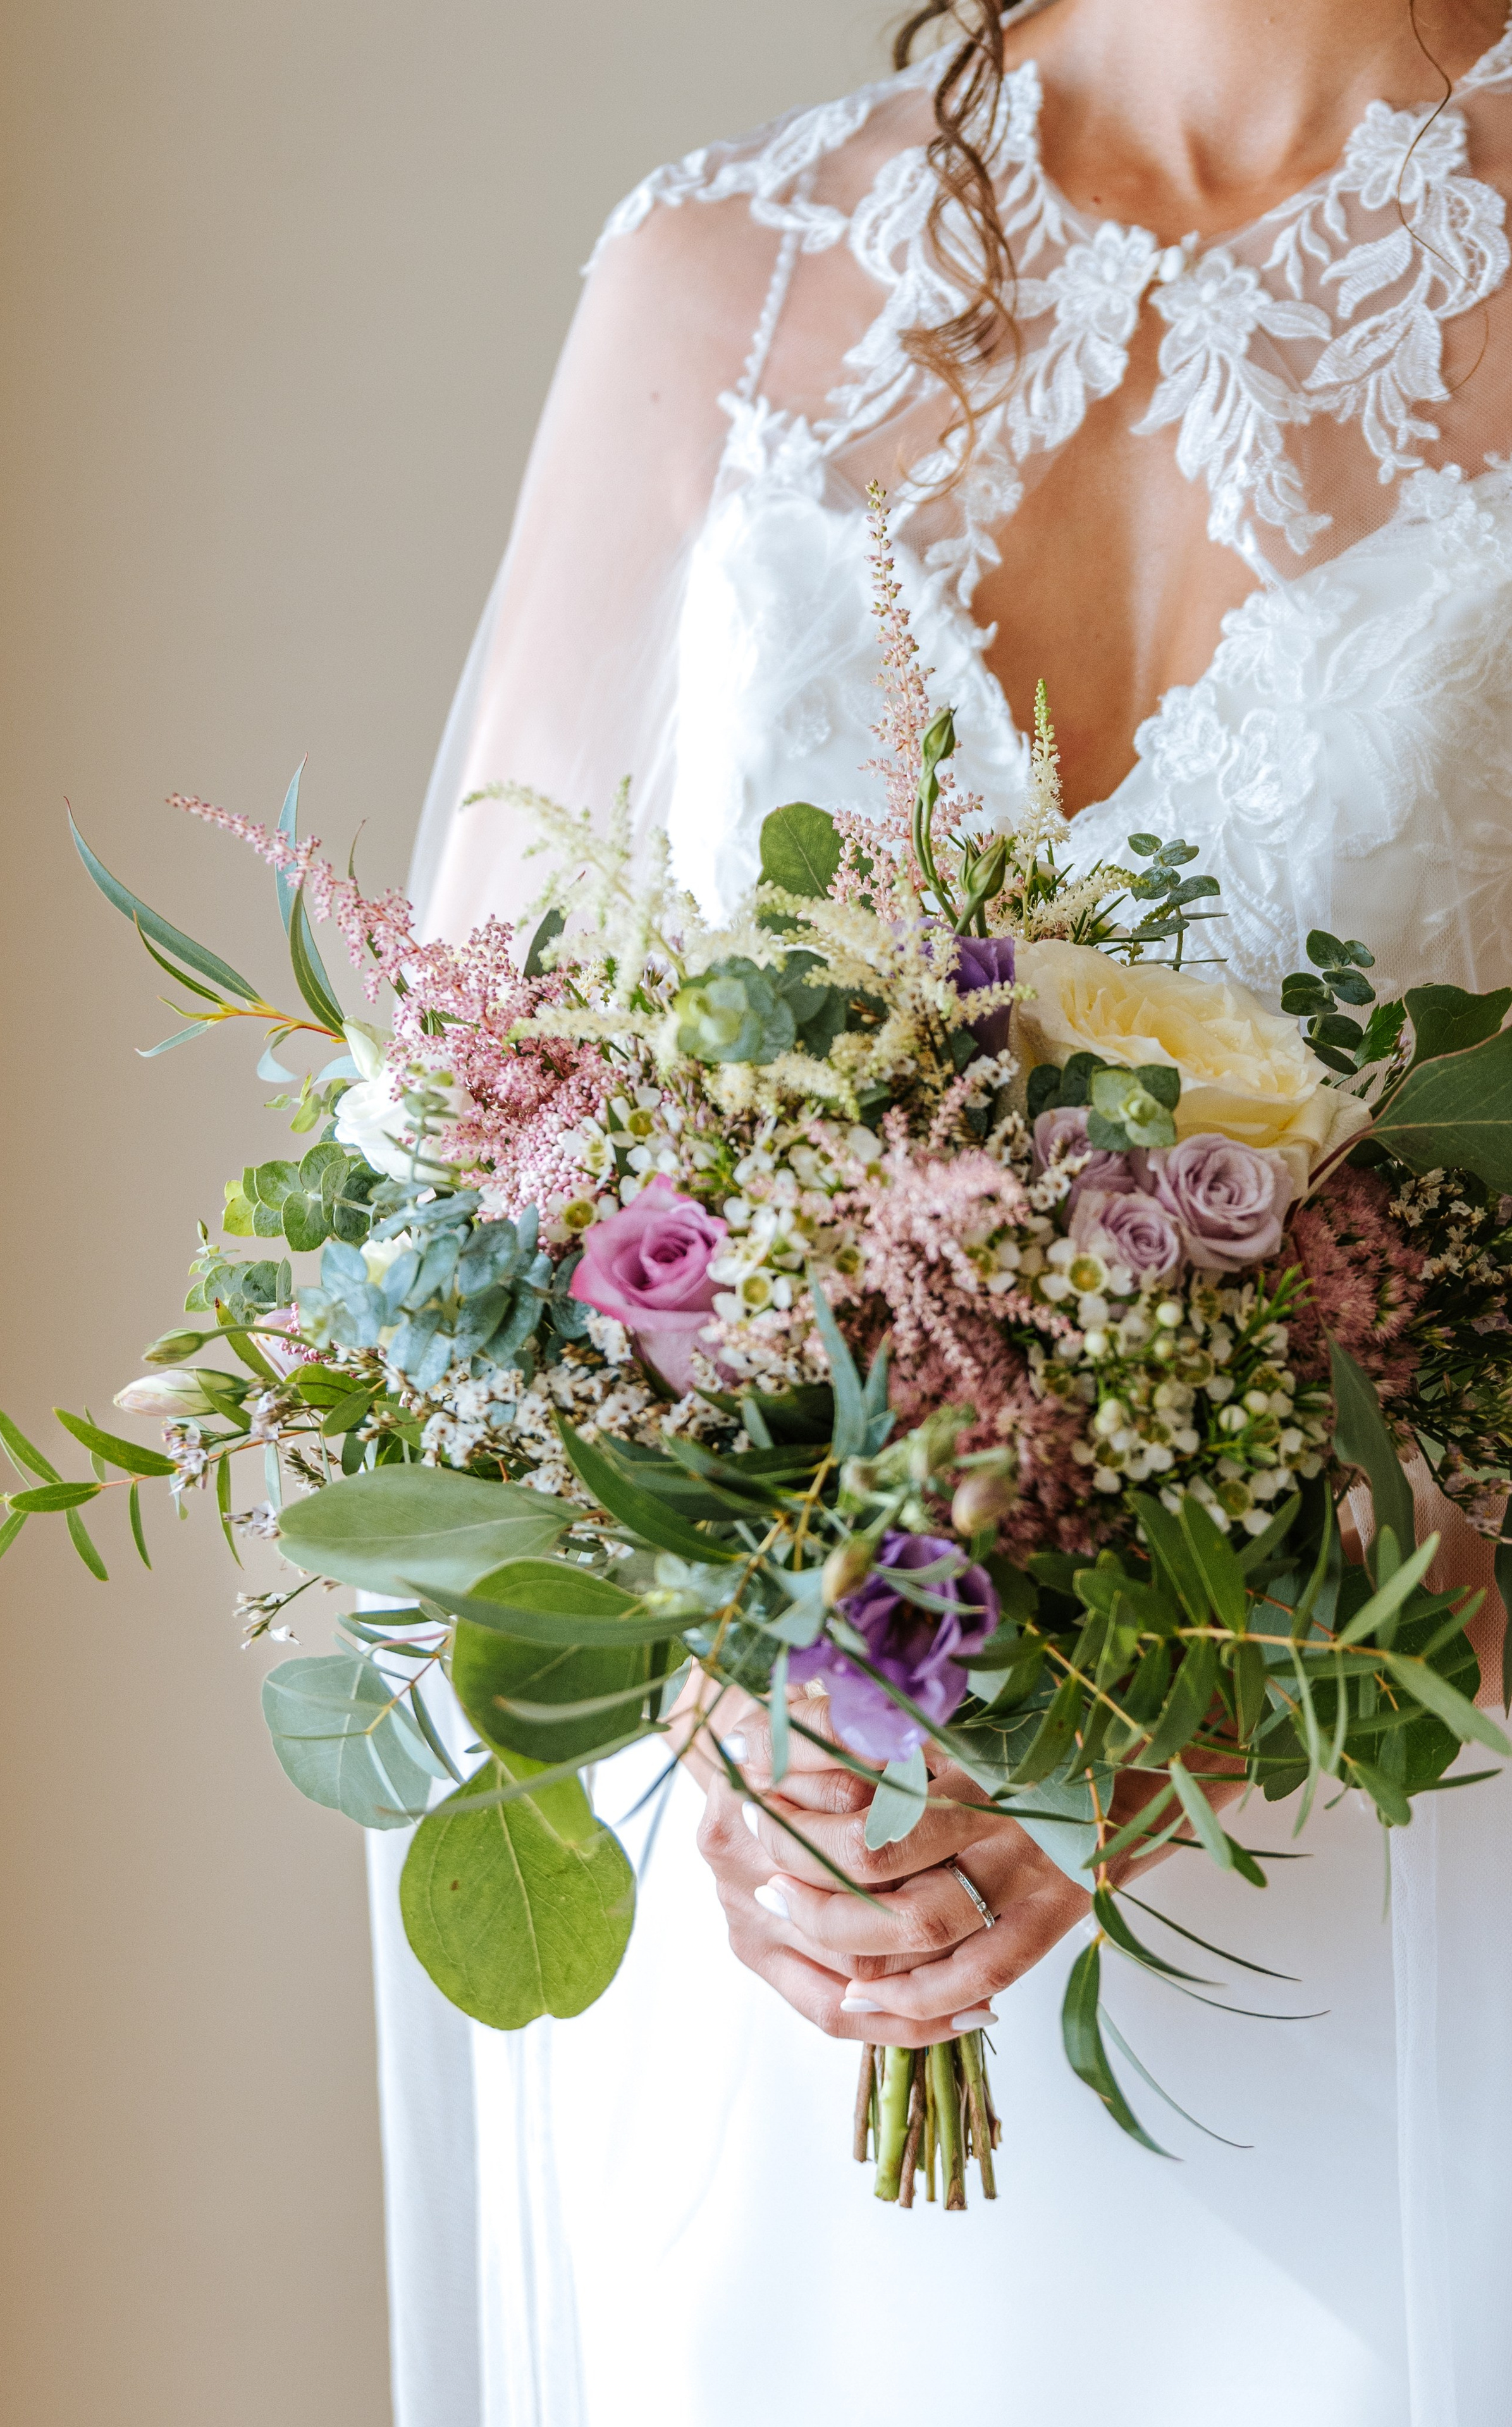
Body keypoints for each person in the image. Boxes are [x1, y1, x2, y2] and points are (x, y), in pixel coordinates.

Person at [370, 4, 1512, 2421]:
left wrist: (1216, 1696)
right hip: (796, 1967)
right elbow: (454, 1161)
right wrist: (725, 1667)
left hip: (1410, 1973)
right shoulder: (724, 276)